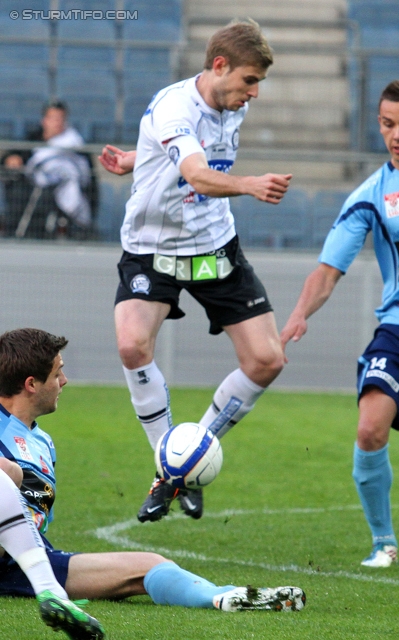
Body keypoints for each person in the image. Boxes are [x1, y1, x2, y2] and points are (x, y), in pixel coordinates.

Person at [98, 20, 292, 523]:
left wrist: (135, 160)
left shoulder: (231, 104)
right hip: (152, 247)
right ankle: (170, 465)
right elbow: (195, 172)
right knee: (131, 345)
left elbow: (180, 154)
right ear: (219, 66)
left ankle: (186, 458)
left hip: (211, 247)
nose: (253, 94)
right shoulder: (175, 104)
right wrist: (251, 185)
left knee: (267, 360)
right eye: (249, 81)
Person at [0, 327, 306, 619]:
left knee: (147, 566)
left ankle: (227, 597)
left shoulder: (42, 442)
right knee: (8, 475)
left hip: (27, 562)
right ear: (30, 384)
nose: (64, 380)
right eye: (57, 373)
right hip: (11, 560)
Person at [281, 79, 399, 568]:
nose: (396, 134)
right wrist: (298, 315)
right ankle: (384, 543)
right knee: (368, 430)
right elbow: (328, 270)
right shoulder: (371, 195)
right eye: (386, 125)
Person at [0, 467, 104, 639]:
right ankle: (48, 587)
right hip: (20, 566)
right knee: (9, 471)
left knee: (148, 566)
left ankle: (48, 587)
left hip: (23, 563)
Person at [2, 101, 95, 238]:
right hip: (27, 197)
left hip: (55, 200)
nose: (57, 122)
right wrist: (11, 158)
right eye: (53, 118)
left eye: (60, 118)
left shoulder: (75, 144)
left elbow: (85, 173)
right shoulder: (32, 139)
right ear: (44, 120)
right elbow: (12, 156)